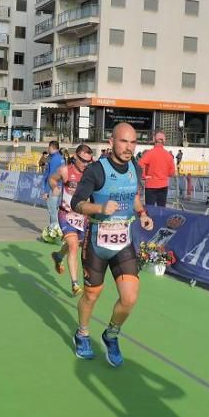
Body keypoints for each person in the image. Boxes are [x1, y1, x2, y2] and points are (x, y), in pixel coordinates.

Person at [70, 123, 154, 365]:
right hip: (97, 241)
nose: (129, 147)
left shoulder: (135, 169)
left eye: (133, 142)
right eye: (124, 141)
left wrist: (143, 214)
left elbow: (134, 197)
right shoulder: (96, 170)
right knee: (92, 295)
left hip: (123, 243)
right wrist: (99, 208)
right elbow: (77, 202)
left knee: (129, 298)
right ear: (111, 142)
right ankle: (82, 333)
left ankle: (111, 334)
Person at [50, 143, 94, 295]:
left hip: (82, 217)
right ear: (75, 157)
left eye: (88, 161)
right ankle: (75, 284)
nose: (85, 164)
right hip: (65, 214)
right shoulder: (65, 170)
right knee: (74, 246)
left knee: (74, 244)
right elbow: (52, 179)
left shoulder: (90, 173)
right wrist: (54, 187)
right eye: (83, 160)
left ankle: (59, 255)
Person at [138, 131, 176, 207]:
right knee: (161, 209)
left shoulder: (149, 153)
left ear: (154, 140)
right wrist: (164, 174)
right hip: (163, 185)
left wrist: (144, 176)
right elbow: (172, 173)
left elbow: (139, 164)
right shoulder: (168, 155)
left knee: (150, 209)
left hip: (151, 184)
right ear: (164, 141)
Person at [40, 140, 65, 231]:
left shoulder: (54, 159)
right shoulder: (60, 158)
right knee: (54, 209)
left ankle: (55, 230)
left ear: (52, 147)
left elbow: (50, 176)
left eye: (48, 147)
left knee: (52, 209)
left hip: (53, 187)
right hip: (59, 186)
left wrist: (46, 191)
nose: (47, 149)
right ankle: (52, 229)